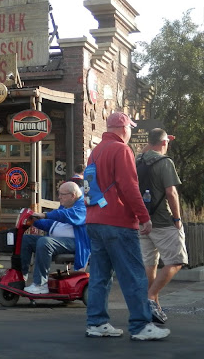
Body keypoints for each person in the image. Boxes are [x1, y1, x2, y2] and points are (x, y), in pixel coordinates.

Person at [85, 112, 169, 341]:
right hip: (117, 221)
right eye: (130, 128)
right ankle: (141, 326)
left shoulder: (96, 151)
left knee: (100, 276)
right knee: (133, 275)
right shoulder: (121, 150)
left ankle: (96, 323)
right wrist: (144, 217)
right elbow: (129, 186)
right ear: (123, 129)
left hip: (94, 219)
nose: (131, 132)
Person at [136, 128, 187, 324]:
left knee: (150, 263)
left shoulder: (138, 161)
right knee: (177, 261)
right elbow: (171, 193)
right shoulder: (165, 162)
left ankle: (153, 307)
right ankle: (150, 297)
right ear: (164, 143)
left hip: (142, 221)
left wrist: (161, 139)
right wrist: (177, 219)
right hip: (163, 221)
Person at [21, 181, 90, 294]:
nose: (59, 197)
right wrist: (34, 221)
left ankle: (40, 284)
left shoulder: (83, 206)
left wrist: (45, 215)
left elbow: (66, 215)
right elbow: (51, 224)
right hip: (59, 242)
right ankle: (21, 277)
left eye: (62, 194)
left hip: (76, 243)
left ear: (72, 195)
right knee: (27, 239)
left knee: (45, 242)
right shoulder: (64, 207)